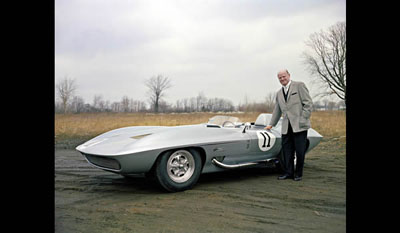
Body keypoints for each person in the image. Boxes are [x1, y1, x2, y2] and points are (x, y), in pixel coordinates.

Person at [265, 69, 313, 181]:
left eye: (284, 76)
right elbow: (277, 110)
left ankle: (298, 173)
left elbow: (308, 104)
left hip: (299, 126)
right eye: (280, 78)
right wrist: (271, 124)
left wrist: (303, 119)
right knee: (287, 151)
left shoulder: (299, 86)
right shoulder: (279, 93)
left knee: (300, 151)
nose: (282, 79)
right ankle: (288, 173)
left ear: (289, 75)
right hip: (286, 127)